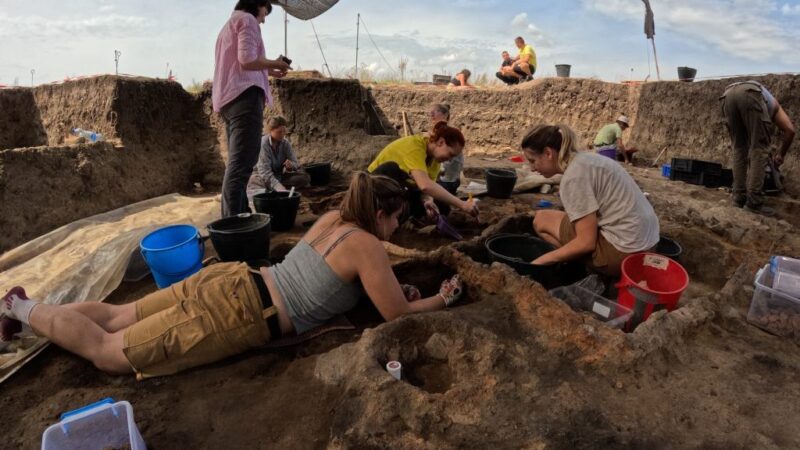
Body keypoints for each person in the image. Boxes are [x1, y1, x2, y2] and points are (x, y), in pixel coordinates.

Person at [0, 173, 465, 378]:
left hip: (230, 280)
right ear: (381, 213)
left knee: (115, 314)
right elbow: (395, 314)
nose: (398, 228)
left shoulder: (332, 221)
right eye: (397, 219)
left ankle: (22, 315)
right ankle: (17, 307)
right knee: (109, 354)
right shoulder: (367, 244)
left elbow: (332, 279)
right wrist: (442, 299)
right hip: (239, 311)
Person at [522, 124, 659, 277]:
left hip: (625, 255)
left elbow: (586, 243)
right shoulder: (587, 159)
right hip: (649, 245)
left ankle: (576, 268)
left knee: (541, 220)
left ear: (548, 153)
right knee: (562, 219)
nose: (532, 168)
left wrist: (540, 261)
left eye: (532, 161)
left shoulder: (573, 177)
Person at [212, 0, 292, 217]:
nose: (264, 19)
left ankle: (241, 213)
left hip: (228, 99)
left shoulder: (229, 25)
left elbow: (239, 66)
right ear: (258, 4)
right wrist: (275, 63)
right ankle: (232, 223)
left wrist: (268, 71)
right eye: (265, 11)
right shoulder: (247, 20)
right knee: (242, 165)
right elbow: (247, 60)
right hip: (244, 99)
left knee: (237, 164)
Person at [368, 122, 479, 220]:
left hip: (401, 188)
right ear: (441, 142)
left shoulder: (436, 160)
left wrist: (428, 201)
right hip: (374, 185)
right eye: (450, 154)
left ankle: (405, 216)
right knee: (391, 168)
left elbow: (427, 190)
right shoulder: (415, 146)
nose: (450, 160)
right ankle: (387, 216)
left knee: (442, 206)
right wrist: (463, 204)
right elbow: (425, 185)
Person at [721, 80, 796, 216]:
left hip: (727, 95)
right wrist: (780, 156)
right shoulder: (775, 107)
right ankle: (754, 202)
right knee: (759, 149)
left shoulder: (766, 100)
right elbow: (790, 131)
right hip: (749, 93)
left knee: (739, 148)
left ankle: (738, 198)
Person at [247, 116, 310, 195]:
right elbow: (264, 172)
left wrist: (291, 165)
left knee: (304, 178)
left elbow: (296, 163)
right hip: (261, 177)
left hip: (278, 176)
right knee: (254, 181)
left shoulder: (285, 143)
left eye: (284, 131)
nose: (283, 134)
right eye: (279, 132)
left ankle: (274, 190)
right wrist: (278, 186)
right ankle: (273, 190)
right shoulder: (263, 144)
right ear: (270, 131)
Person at [428, 104, 463, 195]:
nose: (431, 114)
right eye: (431, 112)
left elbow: (450, 163)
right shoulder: (437, 131)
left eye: (435, 112)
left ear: (445, 114)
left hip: (447, 180)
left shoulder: (449, 133)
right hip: (448, 179)